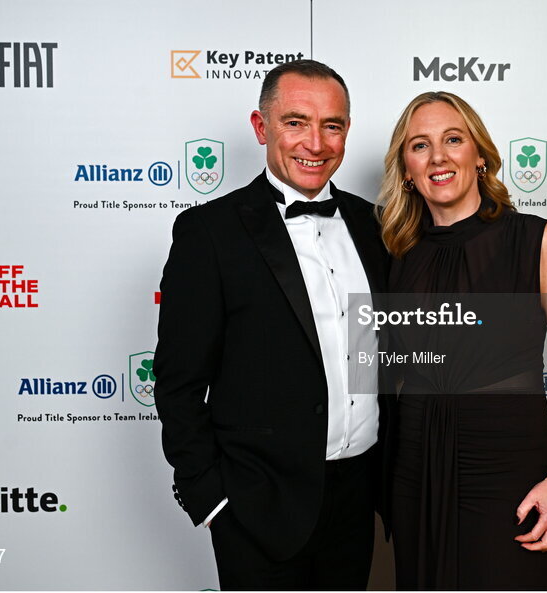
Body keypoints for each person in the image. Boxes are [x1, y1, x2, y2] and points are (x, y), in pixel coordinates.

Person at [153, 60, 389, 591]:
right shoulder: (209, 232)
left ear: (347, 131)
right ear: (262, 128)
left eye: (332, 125)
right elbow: (177, 383)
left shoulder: (375, 225)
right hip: (257, 507)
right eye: (295, 122)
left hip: (359, 499)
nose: (315, 143)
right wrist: (212, 501)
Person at [378, 91, 547, 590]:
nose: (438, 157)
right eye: (420, 145)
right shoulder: (393, 253)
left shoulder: (535, 240)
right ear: (407, 170)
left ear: (479, 155)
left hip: (510, 474)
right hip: (414, 471)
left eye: (453, 139)